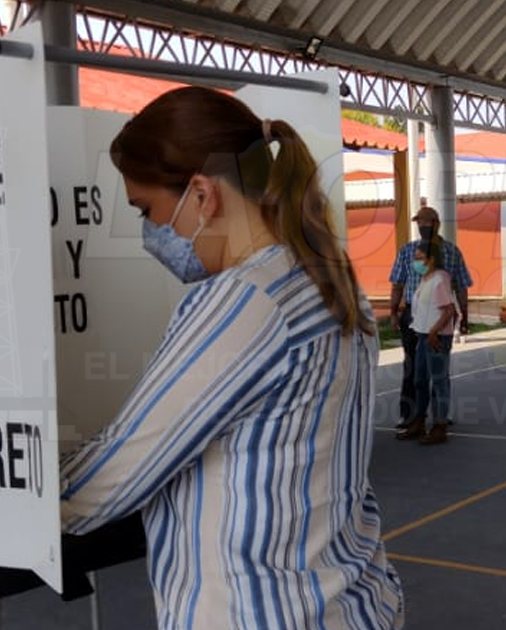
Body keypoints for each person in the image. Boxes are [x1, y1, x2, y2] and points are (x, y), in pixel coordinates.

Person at [59, 86, 404, 630]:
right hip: (347, 604)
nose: (151, 234)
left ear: (202, 194)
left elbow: (112, 478)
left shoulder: (246, 300)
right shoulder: (327, 280)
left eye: (147, 210)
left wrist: (9, 495)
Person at [389, 206, 472, 429]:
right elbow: (397, 284)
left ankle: (439, 417)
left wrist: (464, 317)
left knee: (438, 371)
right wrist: (393, 312)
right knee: (413, 369)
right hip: (413, 319)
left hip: (439, 323)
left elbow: (462, 287)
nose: (421, 226)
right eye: (419, 222)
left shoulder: (451, 252)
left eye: (426, 222)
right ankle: (410, 415)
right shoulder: (408, 251)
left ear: (436, 223)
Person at [396, 241, 458, 444]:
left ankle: (440, 425)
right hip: (422, 334)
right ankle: (419, 421)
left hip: (435, 336)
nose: (416, 262)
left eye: (419, 258)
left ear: (431, 260)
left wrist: (435, 331)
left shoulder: (440, 280)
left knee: (439, 381)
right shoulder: (425, 279)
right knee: (419, 380)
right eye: (415, 258)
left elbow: (449, 310)